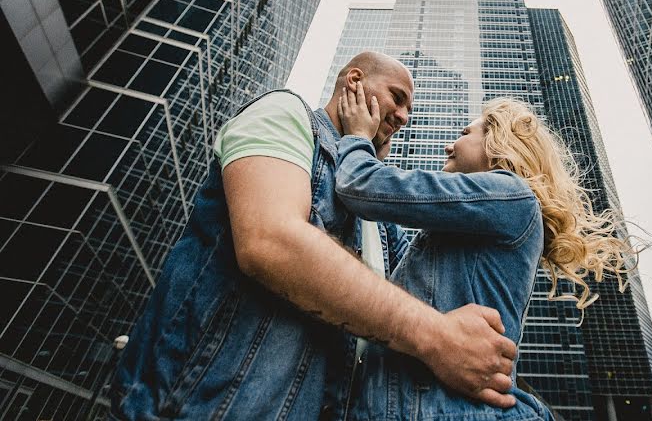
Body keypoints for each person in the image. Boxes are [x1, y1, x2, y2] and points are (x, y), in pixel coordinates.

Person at [110, 52, 518, 420]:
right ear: (353, 81)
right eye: (397, 97)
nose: (404, 117)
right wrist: (437, 336)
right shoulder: (287, 115)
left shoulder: (385, 228)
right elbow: (271, 242)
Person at [334, 84, 635, 420]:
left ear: (496, 142)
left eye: (464, 133)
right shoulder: (473, 222)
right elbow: (397, 260)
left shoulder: (510, 194)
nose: (449, 144)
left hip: (444, 411)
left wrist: (357, 137)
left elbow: (359, 186)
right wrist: (376, 156)